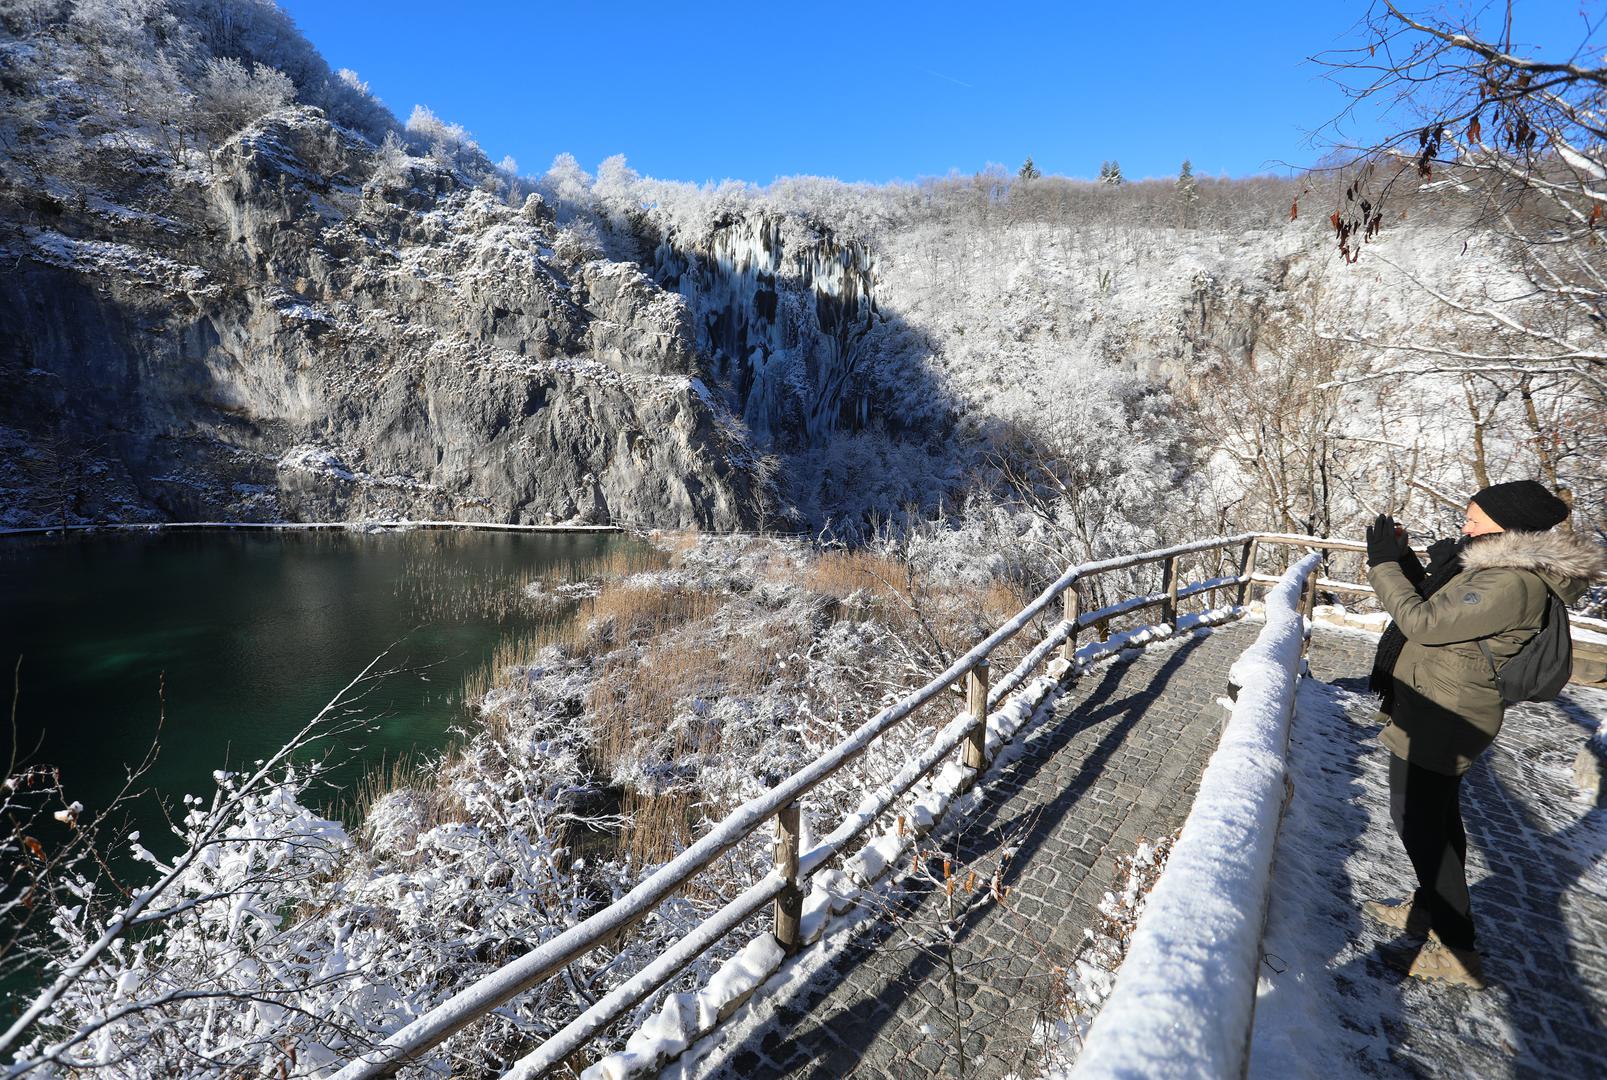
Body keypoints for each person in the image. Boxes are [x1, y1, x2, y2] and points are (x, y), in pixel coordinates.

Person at [1362, 480, 1607, 988]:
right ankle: (1431, 906)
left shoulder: (1512, 582)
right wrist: (1408, 562)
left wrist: (1383, 565)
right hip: (1442, 705)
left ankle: (1458, 951)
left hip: (1447, 715)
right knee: (1438, 819)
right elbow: (1444, 613)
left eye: (1474, 519)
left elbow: (1423, 623)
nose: (1465, 525)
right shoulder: (1496, 568)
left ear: (1507, 527)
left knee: (1419, 823)